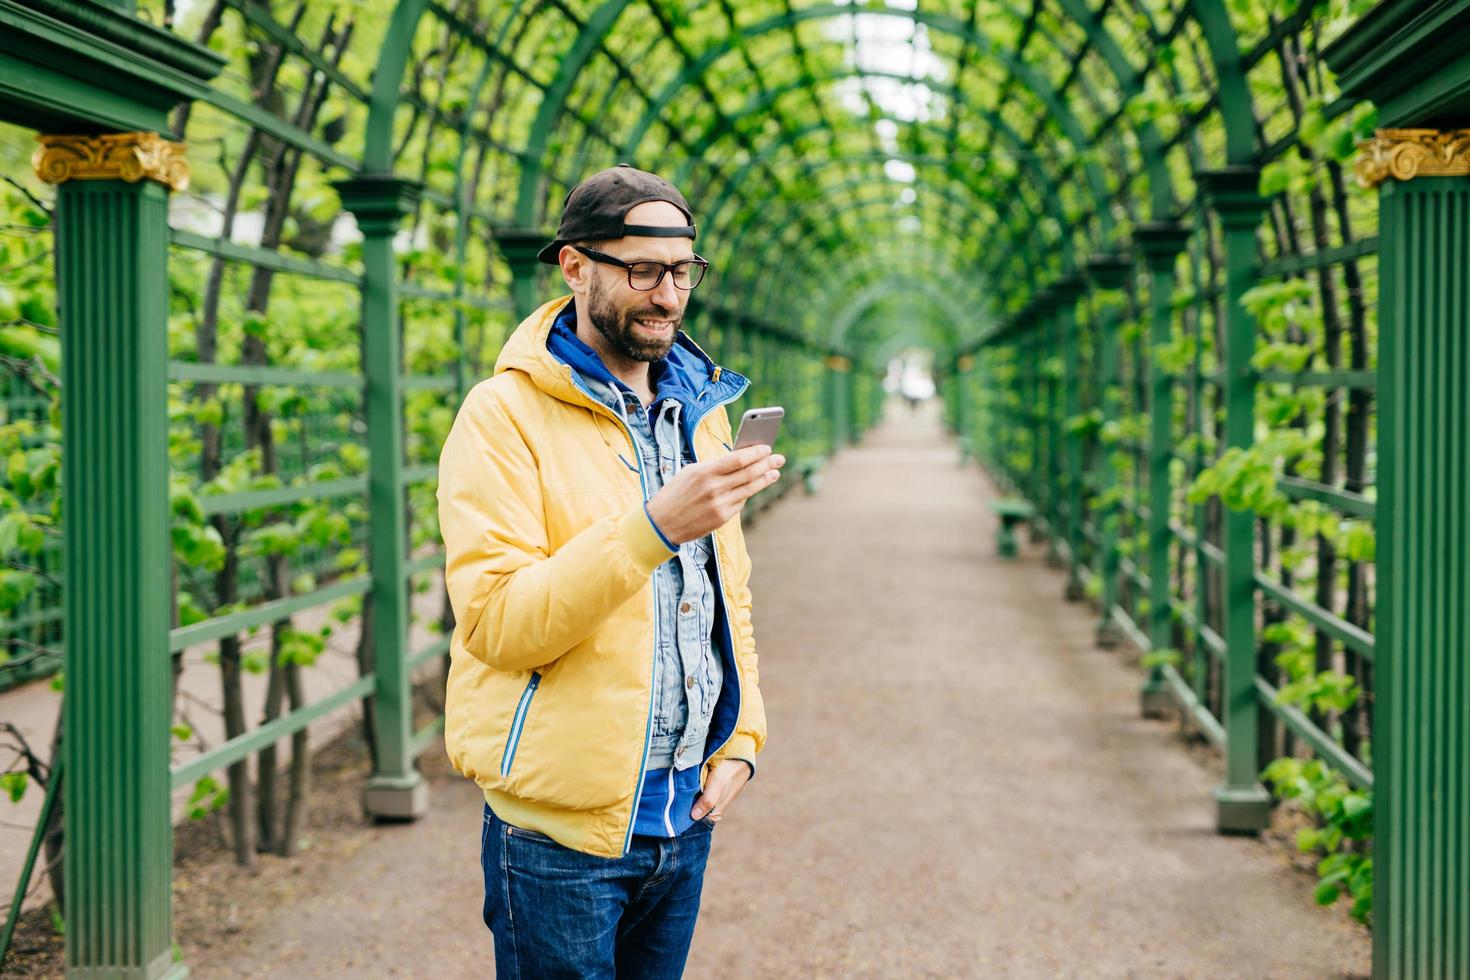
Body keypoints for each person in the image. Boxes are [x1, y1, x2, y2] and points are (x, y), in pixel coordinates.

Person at [436, 163, 778, 978]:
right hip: (559, 836)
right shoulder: (501, 415)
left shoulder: (701, 411)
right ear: (576, 265)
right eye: (642, 271)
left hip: (682, 816)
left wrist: (744, 738)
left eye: (683, 273)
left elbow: (729, 596)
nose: (667, 297)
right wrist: (652, 528)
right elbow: (498, 624)